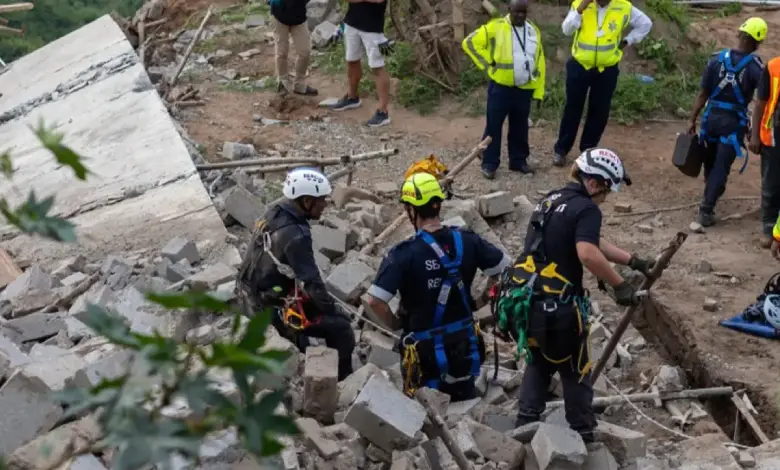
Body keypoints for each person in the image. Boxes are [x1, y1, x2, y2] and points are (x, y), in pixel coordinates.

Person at [496, 148, 654, 442]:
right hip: (559, 310)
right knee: (575, 370)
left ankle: (523, 430)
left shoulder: (552, 200)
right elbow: (588, 252)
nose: (605, 199)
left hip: (529, 304)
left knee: (539, 361)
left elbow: (592, 241)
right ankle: (585, 437)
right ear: (593, 183)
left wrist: (633, 261)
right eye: (605, 191)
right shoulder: (587, 209)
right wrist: (620, 285)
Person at [365, 173, 511, 401]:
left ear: (411, 210)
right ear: (438, 205)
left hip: (424, 357)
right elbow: (505, 270)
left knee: (426, 411)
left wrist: (395, 325)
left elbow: (375, 301)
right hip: (465, 349)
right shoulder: (468, 240)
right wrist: (481, 300)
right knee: (466, 406)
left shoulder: (403, 254)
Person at [236, 167, 355, 380]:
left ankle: (303, 346)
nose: (325, 204)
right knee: (342, 328)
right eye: (321, 200)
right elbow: (313, 284)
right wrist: (334, 310)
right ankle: (343, 381)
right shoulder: (296, 235)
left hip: (250, 293)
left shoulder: (274, 212)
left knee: (310, 332)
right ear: (307, 201)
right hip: (268, 308)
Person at [552, 0, 652, 167]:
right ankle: (561, 150)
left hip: (607, 69)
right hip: (580, 65)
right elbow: (567, 30)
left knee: (599, 110)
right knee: (572, 108)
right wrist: (581, 9)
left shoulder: (623, 6)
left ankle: (588, 150)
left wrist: (628, 40)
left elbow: (645, 24)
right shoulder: (580, 4)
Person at [689, 18, 766, 228]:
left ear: (739, 35)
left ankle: (709, 197)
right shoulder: (755, 68)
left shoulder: (715, 60)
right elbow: (760, 101)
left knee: (710, 161)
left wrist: (692, 120)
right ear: (757, 42)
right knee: (721, 167)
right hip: (732, 125)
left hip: (710, 120)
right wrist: (755, 131)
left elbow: (702, 94)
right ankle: (706, 210)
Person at [462, 0, 547, 180]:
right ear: (509, 10)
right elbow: (469, 42)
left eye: (524, 12)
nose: (520, 16)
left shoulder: (533, 30)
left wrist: (538, 91)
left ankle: (518, 161)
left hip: (524, 88)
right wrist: (488, 63)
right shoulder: (497, 26)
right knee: (493, 127)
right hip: (500, 88)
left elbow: (539, 61)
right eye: (517, 12)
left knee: (520, 127)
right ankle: (489, 163)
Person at [328, 0, 392, 127]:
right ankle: (352, 97)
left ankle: (383, 111)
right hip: (351, 23)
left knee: (377, 66)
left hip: (373, 28)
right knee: (351, 60)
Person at [750, 45, 780, 248]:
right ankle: (769, 227)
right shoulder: (773, 67)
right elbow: (760, 103)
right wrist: (754, 136)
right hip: (774, 135)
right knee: (771, 183)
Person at [270, 0, 318, 96]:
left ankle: (299, 85)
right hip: (279, 15)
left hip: (299, 18)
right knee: (281, 52)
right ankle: (283, 83)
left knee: (305, 52)